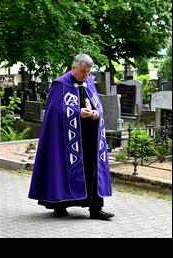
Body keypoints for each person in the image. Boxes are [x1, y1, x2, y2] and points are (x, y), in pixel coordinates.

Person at [28, 54, 114, 220]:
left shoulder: (88, 82)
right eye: (83, 72)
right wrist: (76, 113)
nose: (86, 76)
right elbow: (54, 113)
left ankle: (96, 209)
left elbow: (97, 104)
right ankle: (59, 205)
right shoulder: (60, 85)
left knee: (92, 169)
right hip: (65, 140)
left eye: (88, 72)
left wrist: (97, 113)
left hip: (89, 137)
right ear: (73, 68)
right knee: (61, 169)